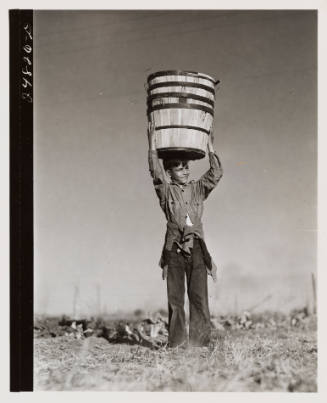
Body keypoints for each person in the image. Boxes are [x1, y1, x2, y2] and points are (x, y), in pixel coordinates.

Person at [147, 121, 223, 348]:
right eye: (179, 167)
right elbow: (154, 170)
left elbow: (216, 173)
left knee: (199, 297)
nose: (185, 170)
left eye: (186, 166)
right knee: (176, 300)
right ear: (170, 173)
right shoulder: (165, 191)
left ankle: (199, 344)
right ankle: (177, 344)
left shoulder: (198, 188)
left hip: (197, 248)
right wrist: (152, 144)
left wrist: (210, 147)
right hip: (173, 249)